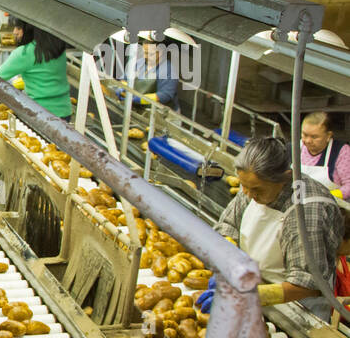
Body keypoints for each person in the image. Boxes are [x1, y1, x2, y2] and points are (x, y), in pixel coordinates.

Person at [196, 137, 342, 319]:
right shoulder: (253, 185)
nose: (248, 194)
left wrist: (252, 296)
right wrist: (228, 259)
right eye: (244, 186)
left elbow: (307, 285)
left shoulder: (306, 210)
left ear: (285, 178)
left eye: (257, 190)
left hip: (296, 310)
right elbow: (228, 225)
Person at [0, 18, 71, 120]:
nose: (14, 32)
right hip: (64, 113)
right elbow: (44, 76)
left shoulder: (24, 53)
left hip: (39, 116)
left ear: (29, 29)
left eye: (19, 28)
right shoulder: (57, 49)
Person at [299, 111, 350, 198]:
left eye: (314, 137)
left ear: (328, 136)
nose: (308, 141)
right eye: (304, 135)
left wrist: (327, 196)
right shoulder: (294, 148)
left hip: (332, 205)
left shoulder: (342, 151)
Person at [129, 40, 180, 112]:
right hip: (140, 108)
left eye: (149, 54)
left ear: (160, 53)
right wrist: (123, 88)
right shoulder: (140, 63)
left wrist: (141, 99)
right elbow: (126, 78)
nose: (145, 56)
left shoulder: (168, 70)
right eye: (144, 52)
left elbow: (165, 95)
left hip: (161, 115)